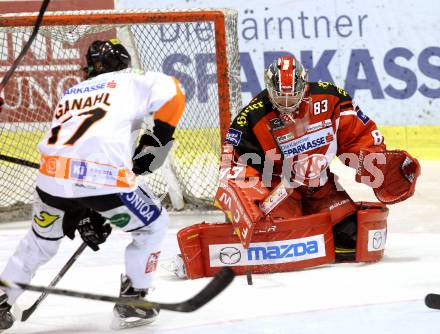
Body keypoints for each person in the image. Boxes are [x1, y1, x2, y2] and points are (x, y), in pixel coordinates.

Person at [174, 55, 420, 279]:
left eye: (293, 96)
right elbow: (235, 169)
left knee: (356, 241)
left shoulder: (332, 99)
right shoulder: (250, 118)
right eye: (280, 97)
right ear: (269, 89)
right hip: (278, 193)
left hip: (322, 189)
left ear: (304, 86)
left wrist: (373, 162)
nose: (287, 103)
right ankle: (293, 231)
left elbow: (357, 138)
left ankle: (310, 233)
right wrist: (251, 202)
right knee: (277, 237)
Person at [0, 39, 185, 331]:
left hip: (52, 180)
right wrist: (158, 140)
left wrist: (86, 211)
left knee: (38, 242)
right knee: (153, 225)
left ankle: (3, 299)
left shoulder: (71, 92)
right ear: (124, 63)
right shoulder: (132, 79)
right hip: (103, 179)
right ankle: (135, 299)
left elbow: (78, 150)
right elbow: (175, 91)